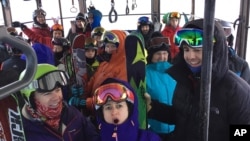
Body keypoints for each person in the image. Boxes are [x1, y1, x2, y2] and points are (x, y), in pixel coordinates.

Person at [145, 19, 250, 141]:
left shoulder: (236, 90)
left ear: (214, 51)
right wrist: (153, 107)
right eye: (186, 50)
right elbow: (181, 116)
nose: (191, 57)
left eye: (197, 50)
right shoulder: (187, 80)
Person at [19, 63, 100, 141]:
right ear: (30, 99)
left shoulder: (72, 114)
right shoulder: (24, 132)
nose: (56, 97)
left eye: (58, 90)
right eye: (47, 93)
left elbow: (92, 136)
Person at [93, 77, 161, 141]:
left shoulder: (150, 139)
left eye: (119, 106)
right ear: (101, 113)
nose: (114, 112)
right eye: (108, 107)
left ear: (129, 109)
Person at [146, 31, 176, 140]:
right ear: (151, 55)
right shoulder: (145, 74)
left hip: (175, 128)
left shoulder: (175, 72)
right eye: (158, 53)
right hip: (153, 129)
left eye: (165, 53)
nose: (162, 57)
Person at [217, 19, 250, 84]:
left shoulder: (241, 66)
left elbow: (245, 91)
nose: (221, 43)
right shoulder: (200, 61)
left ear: (229, 42)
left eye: (225, 40)